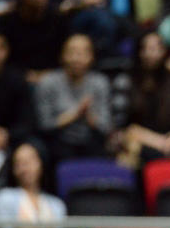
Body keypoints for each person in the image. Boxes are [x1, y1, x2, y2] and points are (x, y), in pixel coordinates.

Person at [111, 31, 170, 168]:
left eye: (156, 49)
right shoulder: (125, 80)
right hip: (138, 139)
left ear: (164, 51)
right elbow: (120, 124)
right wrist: (157, 142)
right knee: (138, 157)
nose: (151, 54)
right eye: (146, 48)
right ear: (139, 51)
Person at [34, 33, 112, 161]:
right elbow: (44, 125)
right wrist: (75, 114)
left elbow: (105, 126)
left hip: (91, 141)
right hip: (58, 142)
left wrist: (88, 116)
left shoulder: (100, 83)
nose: (76, 58)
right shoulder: (48, 82)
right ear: (62, 56)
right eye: (71, 52)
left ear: (91, 57)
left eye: (82, 53)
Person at [0, 0, 68, 83]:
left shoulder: (58, 20)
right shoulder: (6, 21)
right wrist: (24, 75)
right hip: (14, 77)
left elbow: (64, 55)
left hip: (53, 77)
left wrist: (48, 75)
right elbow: (2, 56)